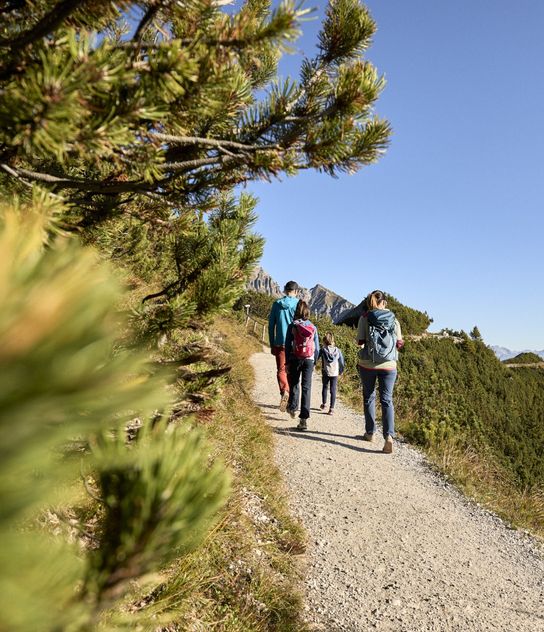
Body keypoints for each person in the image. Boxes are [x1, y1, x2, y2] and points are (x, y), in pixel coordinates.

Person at [356, 290, 404, 453]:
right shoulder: (393, 319)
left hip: (368, 364)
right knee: (387, 400)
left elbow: (360, 341)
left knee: (369, 397)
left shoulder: (365, 317)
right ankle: (389, 437)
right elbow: (399, 343)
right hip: (389, 365)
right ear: (385, 302)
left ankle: (370, 433)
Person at [285, 300, 320, 431]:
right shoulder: (313, 327)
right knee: (306, 388)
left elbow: (287, 345)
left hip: (295, 358)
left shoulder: (292, 326)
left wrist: (287, 361)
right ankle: (303, 420)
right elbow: (317, 348)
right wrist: (314, 361)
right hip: (309, 360)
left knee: (294, 383)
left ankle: (293, 408)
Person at [268, 280, 299, 411]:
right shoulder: (298, 304)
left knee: (281, 370)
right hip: (294, 343)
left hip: (280, 343)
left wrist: (272, 343)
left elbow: (271, 326)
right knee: (292, 372)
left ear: (285, 290)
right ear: (296, 292)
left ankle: (284, 390)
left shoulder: (276, 304)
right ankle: (291, 399)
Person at [317, 332, 345, 415]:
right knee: (333, 389)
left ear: (325, 341)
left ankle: (324, 404)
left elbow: (317, 357)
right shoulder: (338, 350)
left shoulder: (323, 350)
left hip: (325, 371)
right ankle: (331, 408)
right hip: (335, 372)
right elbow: (342, 362)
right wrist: (341, 371)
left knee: (325, 387)